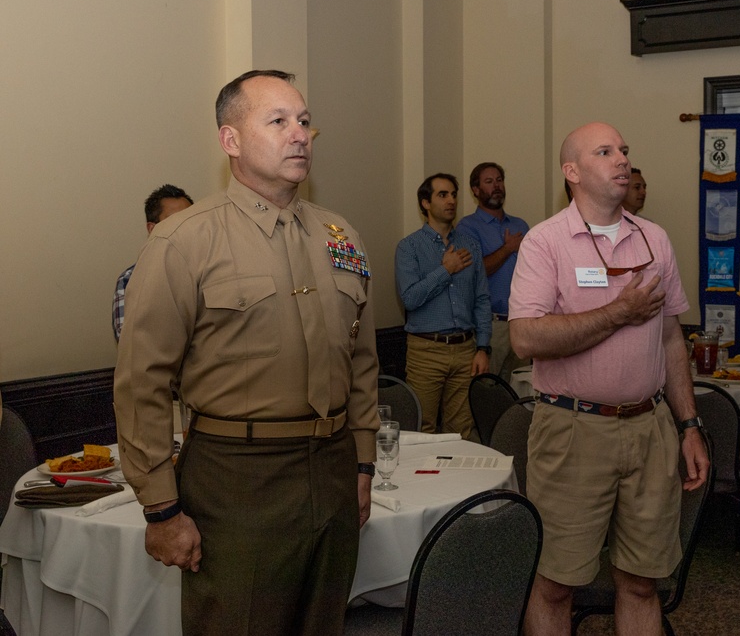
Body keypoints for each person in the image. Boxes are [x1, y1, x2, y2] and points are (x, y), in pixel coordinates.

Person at [114, 70, 380, 635]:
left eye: (304, 121)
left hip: (332, 472)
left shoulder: (341, 235)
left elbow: (362, 363)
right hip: (236, 481)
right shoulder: (184, 241)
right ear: (230, 140)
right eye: (278, 121)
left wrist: (362, 462)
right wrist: (160, 508)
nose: (300, 134)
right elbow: (142, 383)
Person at [509, 122, 709, 635]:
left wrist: (688, 424)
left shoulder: (655, 239)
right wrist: (618, 312)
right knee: (556, 583)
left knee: (642, 582)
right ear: (572, 171)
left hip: (650, 430)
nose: (621, 158)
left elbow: (670, 340)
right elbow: (526, 339)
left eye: (624, 149)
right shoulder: (544, 242)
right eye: (605, 151)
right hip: (572, 430)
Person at [395, 173, 491, 439]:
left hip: (465, 351)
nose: (451, 200)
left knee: (461, 431)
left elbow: (482, 299)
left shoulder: (470, 245)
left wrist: (483, 347)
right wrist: (445, 270)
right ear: (425, 203)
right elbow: (410, 298)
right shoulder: (409, 247)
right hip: (426, 351)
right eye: (442, 195)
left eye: (453, 194)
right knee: (421, 429)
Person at [456, 162, 530, 375]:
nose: (497, 186)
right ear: (476, 190)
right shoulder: (467, 227)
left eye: (499, 180)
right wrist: (507, 249)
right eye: (489, 182)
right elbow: (474, 272)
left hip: (521, 323)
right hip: (490, 326)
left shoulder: (520, 226)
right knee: (488, 394)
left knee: (520, 394)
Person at [112, 184, 193, 341]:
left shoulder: (215, 268)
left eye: (190, 219)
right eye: (174, 222)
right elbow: (130, 343)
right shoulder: (130, 280)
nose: (186, 228)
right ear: (152, 229)